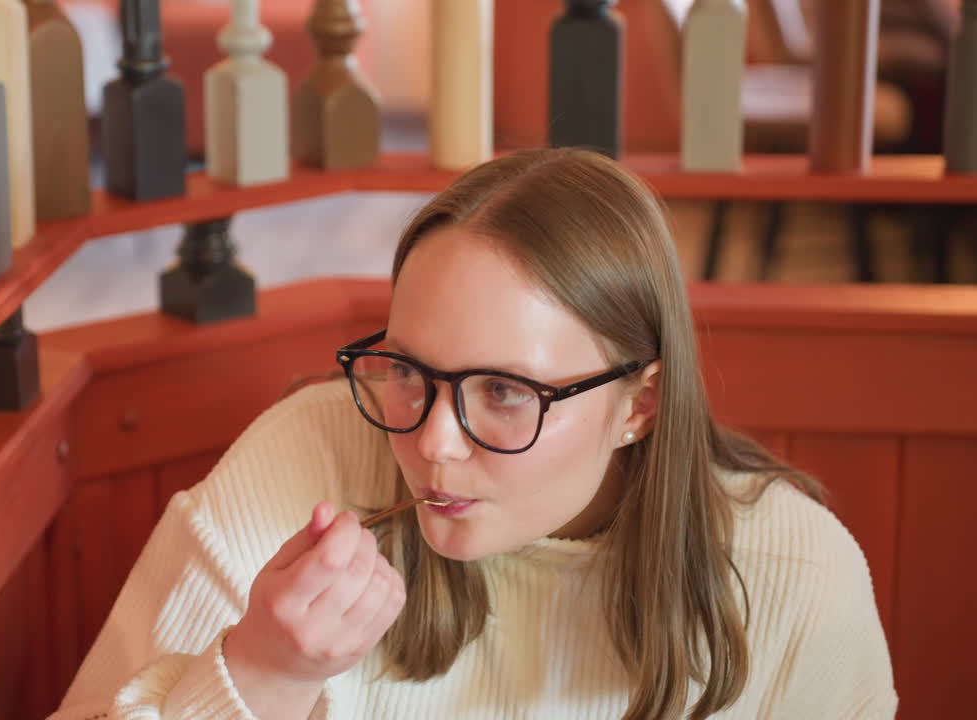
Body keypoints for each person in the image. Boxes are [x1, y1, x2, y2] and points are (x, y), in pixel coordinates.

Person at [49, 149, 896, 719]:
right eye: (409, 370)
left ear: (639, 405)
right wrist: (258, 675)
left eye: (504, 391)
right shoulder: (306, 461)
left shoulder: (793, 576)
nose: (434, 445)